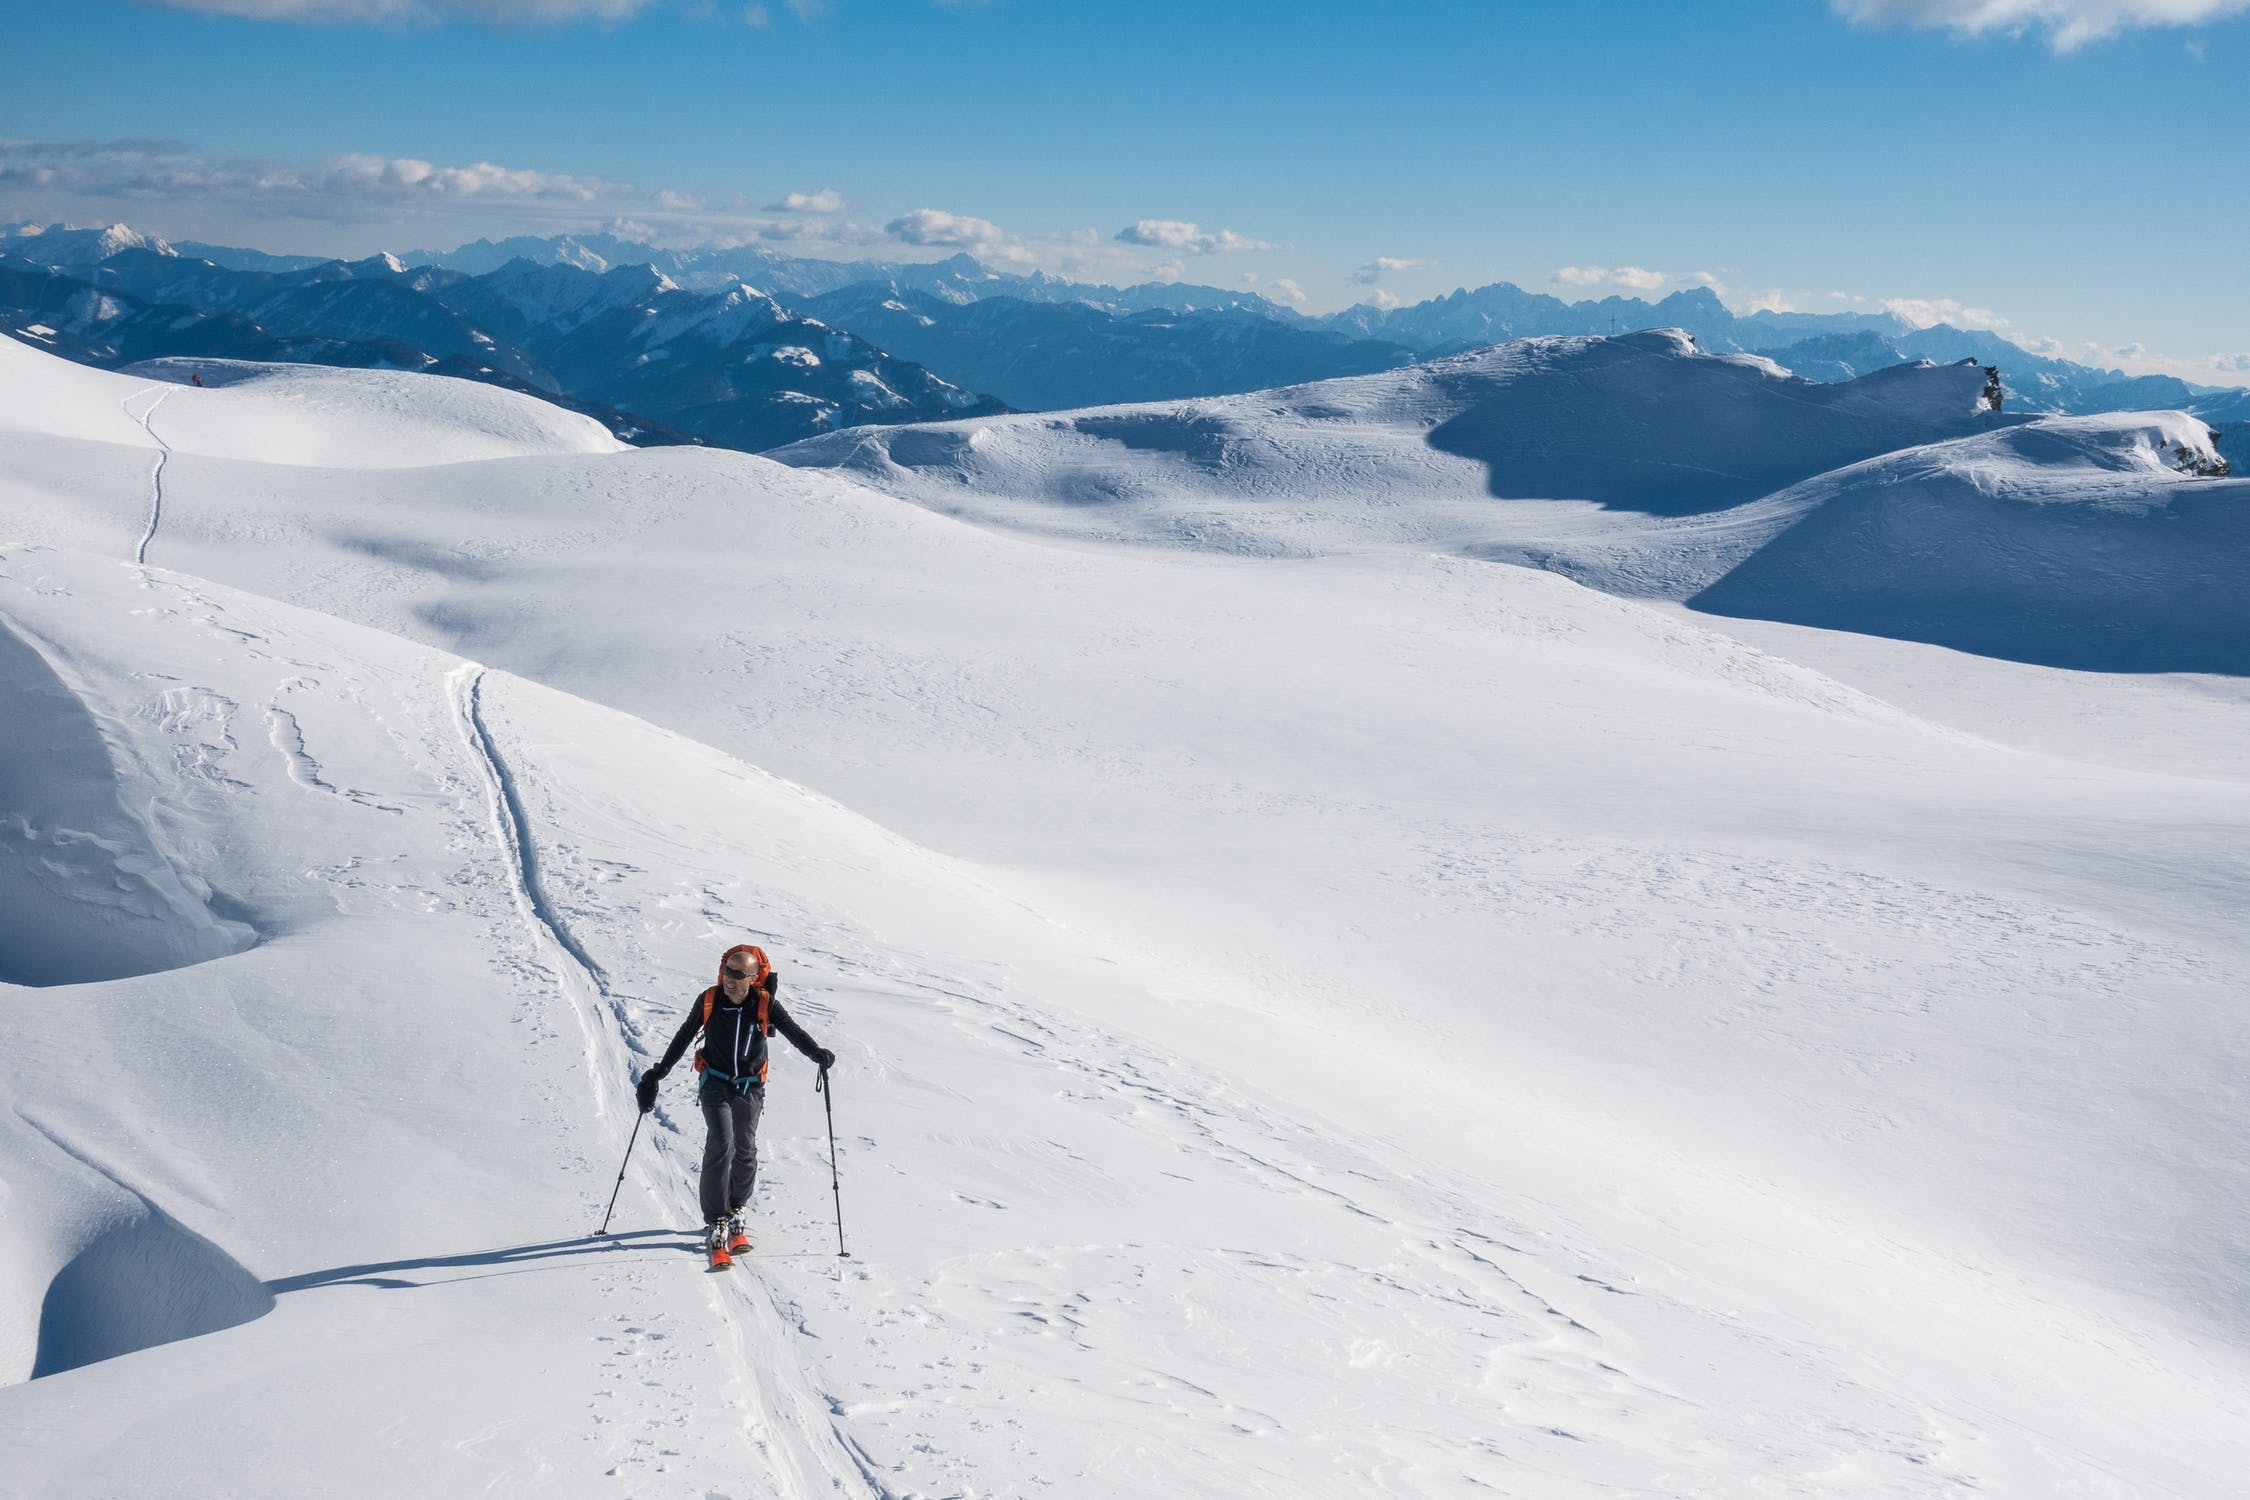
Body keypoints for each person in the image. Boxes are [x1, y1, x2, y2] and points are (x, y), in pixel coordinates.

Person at [636, 943, 835, 1270]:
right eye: (726, 971)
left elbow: (792, 1032)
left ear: (753, 978)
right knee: (721, 1142)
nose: (729, 979)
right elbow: (684, 1036)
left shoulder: (765, 1004)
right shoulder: (709, 1000)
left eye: (737, 974)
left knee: (746, 1147)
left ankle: (736, 1209)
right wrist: (657, 1075)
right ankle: (716, 1222)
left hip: (750, 1087)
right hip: (714, 1082)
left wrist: (817, 1054)